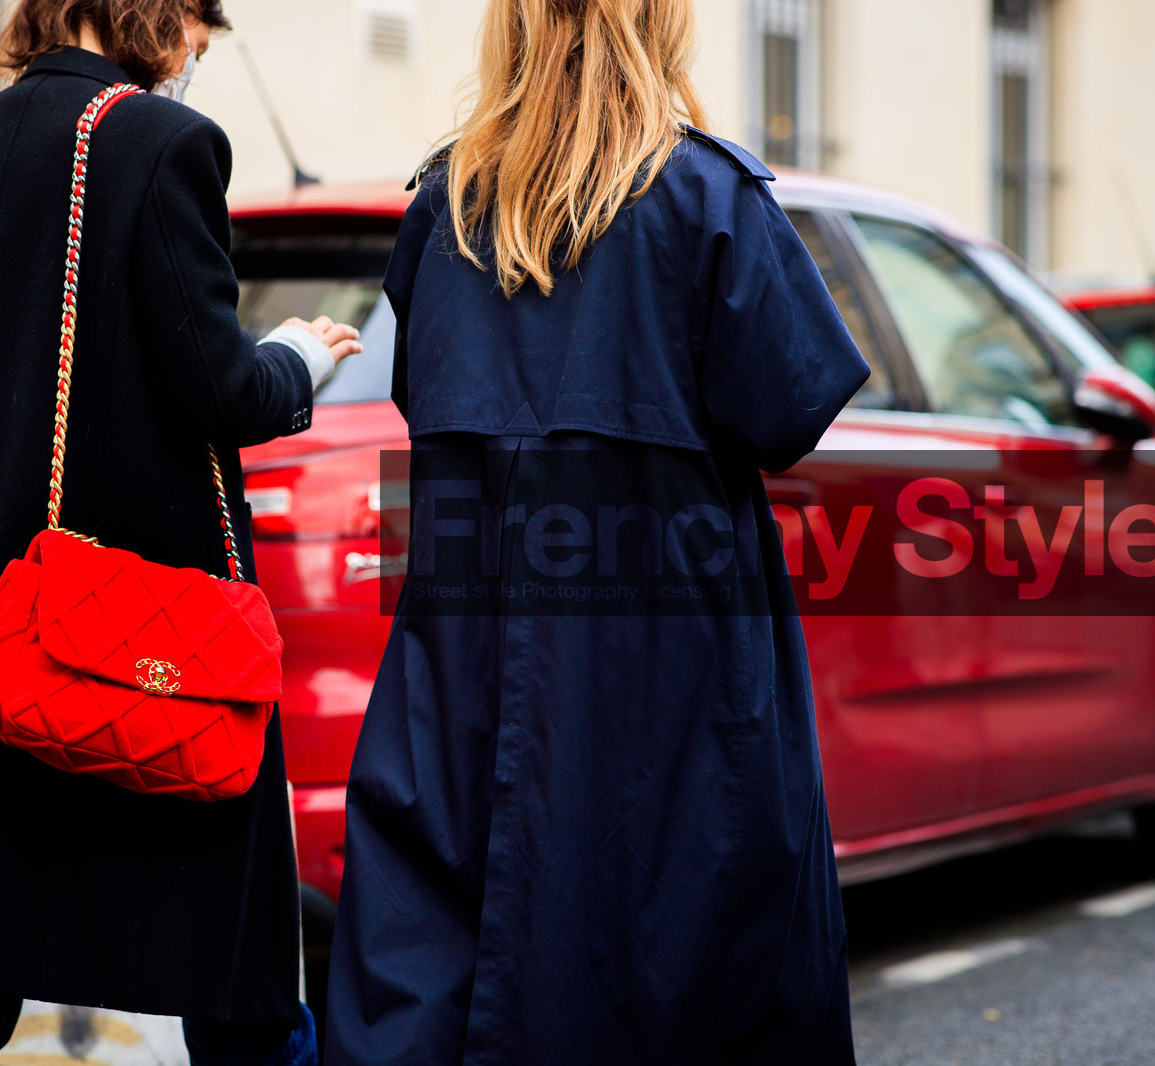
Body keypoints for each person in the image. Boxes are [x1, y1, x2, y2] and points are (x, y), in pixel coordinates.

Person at [324, 0, 870, 1063]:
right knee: (688, 962)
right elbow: (789, 411)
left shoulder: (444, 209)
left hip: (461, 677)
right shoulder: (711, 199)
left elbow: (420, 393)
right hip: (676, 679)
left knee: (444, 952)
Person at [0, 1, 360, 1063]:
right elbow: (217, 386)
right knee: (241, 1003)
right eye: (189, 24)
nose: (190, 53)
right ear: (144, 11)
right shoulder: (159, 143)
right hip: (142, 662)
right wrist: (298, 355)